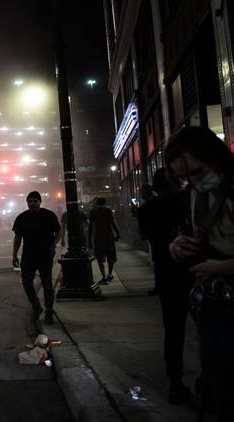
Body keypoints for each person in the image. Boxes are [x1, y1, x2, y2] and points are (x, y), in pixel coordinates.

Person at [165, 126, 234, 421]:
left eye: (197, 172)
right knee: (218, 384)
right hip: (212, 305)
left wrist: (222, 267)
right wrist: (176, 246)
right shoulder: (192, 196)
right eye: (185, 177)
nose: (194, 182)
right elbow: (185, 234)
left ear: (214, 157)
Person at [137, 167, 194, 405]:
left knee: (173, 330)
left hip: (166, 273)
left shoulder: (146, 210)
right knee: (206, 327)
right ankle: (210, 382)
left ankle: (175, 383)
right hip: (194, 270)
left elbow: (144, 236)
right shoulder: (185, 202)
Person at [12, 191, 61, 325]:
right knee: (27, 283)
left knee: (47, 285)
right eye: (30, 201)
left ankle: (49, 311)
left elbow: (59, 231)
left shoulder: (49, 215)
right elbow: (17, 237)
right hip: (28, 256)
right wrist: (14, 254)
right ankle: (36, 306)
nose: (32, 203)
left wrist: (53, 245)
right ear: (26, 203)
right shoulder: (22, 218)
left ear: (40, 202)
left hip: (45, 255)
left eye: (35, 201)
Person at [88, 197, 120, 284]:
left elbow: (90, 227)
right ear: (105, 203)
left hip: (98, 237)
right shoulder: (108, 210)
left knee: (99, 258)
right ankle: (110, 274)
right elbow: (113, 223)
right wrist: (117, 233)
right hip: (109, 236)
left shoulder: (93, 212)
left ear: (96, 203)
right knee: (110, 257)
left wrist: (89, 240)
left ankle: (104, 277)